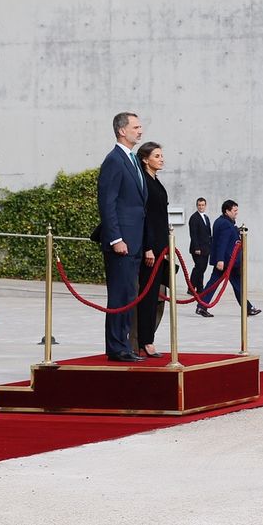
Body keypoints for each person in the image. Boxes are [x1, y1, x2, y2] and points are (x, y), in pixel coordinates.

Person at [97, 111, 147, 362]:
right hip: (122, 243)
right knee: (119, 295)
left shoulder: (133, 160)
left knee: (129, 294)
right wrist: (116, 238)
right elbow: (108, 203)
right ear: (121, 131)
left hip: (135, 241)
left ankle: (124, 344)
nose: (140, 130)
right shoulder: (114, 160)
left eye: (140, 126)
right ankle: (117, 347)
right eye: (136, 127)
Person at [134, 141, 169, 359]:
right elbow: (144, 217)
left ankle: (149, 339)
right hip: (150, 249)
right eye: (157, 156)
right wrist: (148, 247)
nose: (161, 159)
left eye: (161, 155)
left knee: (156, 297)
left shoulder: (156, 181)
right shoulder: (144, 182)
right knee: (147, 296)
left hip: (161, 247)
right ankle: (144, 341)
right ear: (146, 159)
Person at [201, 200, 260, 317]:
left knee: (217, 284)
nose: (236, 212)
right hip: (227, 262)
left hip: (227, 261)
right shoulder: (225, 224)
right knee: (233, 285)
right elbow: (222, 243)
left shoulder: (222, 221)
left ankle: (201, 306)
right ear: (227, 211)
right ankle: (248, 308)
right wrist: (220, 260)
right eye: (234, 210)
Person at [188, 197, 212, 294]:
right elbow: (193, 234)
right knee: (198, 268)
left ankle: (200, 289)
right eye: (199, 205)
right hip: (197, 249)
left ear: (205, 206)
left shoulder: (206, 217)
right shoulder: (194, 218)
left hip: (206, 248)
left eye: (202, 205)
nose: (201, 207)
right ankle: (191, 287)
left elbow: (208, 233)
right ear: (197, 206)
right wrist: (197, 247)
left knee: (202, 269)